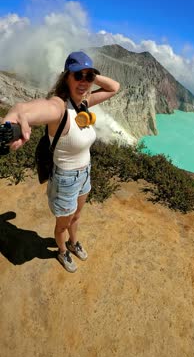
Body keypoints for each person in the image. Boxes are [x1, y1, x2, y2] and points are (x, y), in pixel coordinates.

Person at [3, 51, 120, 272]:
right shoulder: (59, 107)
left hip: (85, 172)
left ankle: (73, 243)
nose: (84, 82)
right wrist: (20, 111)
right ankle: (62, 252)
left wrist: (90, 78)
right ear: (66, 77)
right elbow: (40, 108)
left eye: (89, 76)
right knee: (63, 224)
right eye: (78, 76)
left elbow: (114, 87)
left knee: (76, 216)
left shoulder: (84, 102)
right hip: (66, 178)